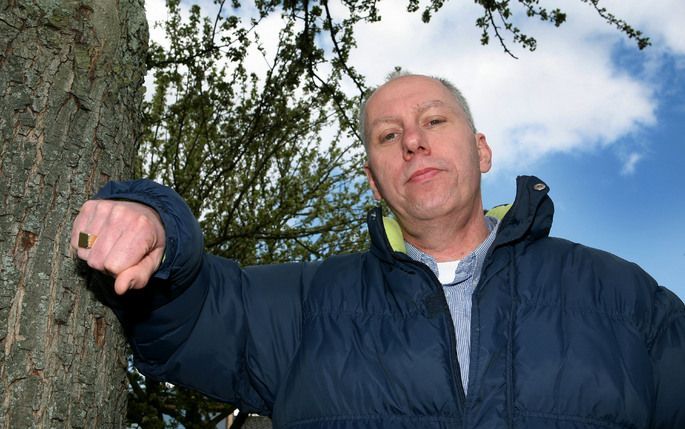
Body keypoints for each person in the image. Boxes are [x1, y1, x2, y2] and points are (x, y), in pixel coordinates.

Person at [71, 73, 685, 428]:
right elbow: (192, 314)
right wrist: (156, 220)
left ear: (483, 151)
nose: (413, 141)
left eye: (434, 121)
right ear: (373, 179)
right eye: (389, 136)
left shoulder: (626, 298)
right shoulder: (305, 305)